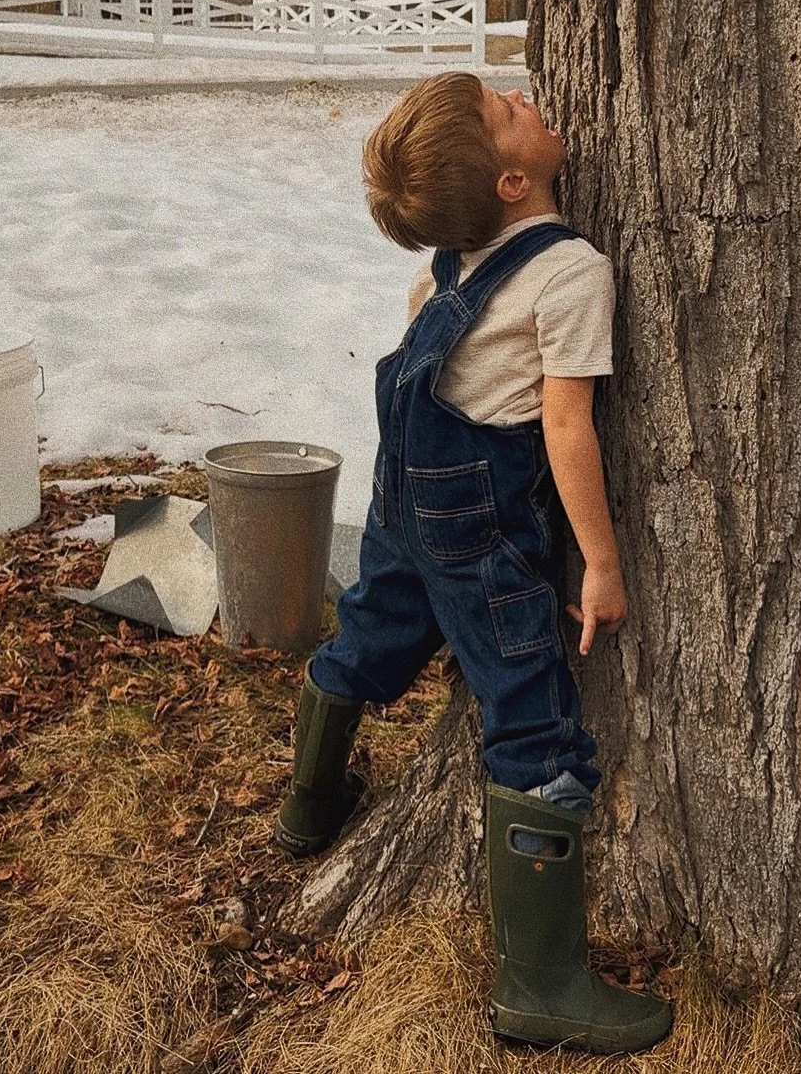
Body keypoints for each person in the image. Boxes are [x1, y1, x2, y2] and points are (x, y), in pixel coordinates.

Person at [273, 71, 672, 1056]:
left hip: (406, 497)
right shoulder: (570, 270)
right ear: (508, 184)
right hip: (477, 522)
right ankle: (540, 984)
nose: (525, 96)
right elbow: (569, 428)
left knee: (368, 632)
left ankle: (307, 805)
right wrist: (602, 565)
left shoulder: (445, 265)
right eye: (506, 113)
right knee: (531, 714)